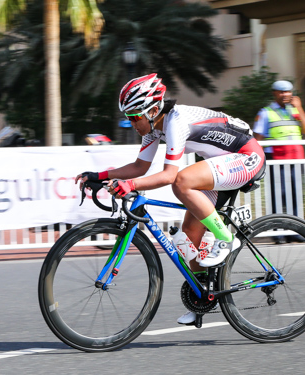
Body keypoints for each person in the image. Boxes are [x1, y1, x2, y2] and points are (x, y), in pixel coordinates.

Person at [76, 73, 265, 326]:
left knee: (182, 180)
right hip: (219, 163)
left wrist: (129, 185)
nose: (131, 122)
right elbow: (139, 167)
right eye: (128, 117)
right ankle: (203, 297)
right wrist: (98, 175)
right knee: (188, 236)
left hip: (246, 157)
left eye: (134, 116)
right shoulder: (154, 127)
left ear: (153, 110)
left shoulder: (176, 122)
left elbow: (169, 175)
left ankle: (225, 238)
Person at [253, 80, 305, 241]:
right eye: (281, 92)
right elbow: (257, 139)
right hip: (276, 159)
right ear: (274, 93)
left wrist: (299, 108)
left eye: (288, 92)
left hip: (295, 158)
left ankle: (294, 232)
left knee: (295, 195)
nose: (285, 95)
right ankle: (277, 232)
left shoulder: (295, 111)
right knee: (278, 195)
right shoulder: (266, 112)